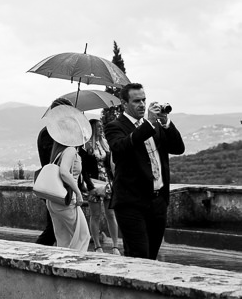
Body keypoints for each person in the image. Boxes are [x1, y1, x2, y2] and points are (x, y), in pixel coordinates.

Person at [105, 83, 185, 260]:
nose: (142, 104)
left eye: (144, 100)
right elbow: (121, 147)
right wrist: (149, 123)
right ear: (124, 103)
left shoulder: (155, 126)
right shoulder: (115, 127)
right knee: (139, 256)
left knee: (152, 256)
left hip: (157, 201)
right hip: (131, 202)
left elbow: (178, 148)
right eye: (136, 101)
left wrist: (165, 123)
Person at [44, 110, 92, 251]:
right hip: (66, 199)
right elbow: (64, 172)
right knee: (83, 237)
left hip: (53, 200)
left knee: (63, 239)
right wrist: (78, 193)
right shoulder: (70, 150)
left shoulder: (58, 151)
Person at [79, 119, 121, 254]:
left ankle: (115, 245)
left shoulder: (105, 144)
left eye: (101, 126)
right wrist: (89, 186)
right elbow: (83, 169)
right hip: (93, 183)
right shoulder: (85, 147)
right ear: (92, 128)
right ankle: (97, 246)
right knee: (95, 215)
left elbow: (111, 165)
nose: (101, 129)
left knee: (111, 214)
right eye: (98, 127)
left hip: (107, 182)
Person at [35, 97, 73, 245]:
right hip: (55, 186)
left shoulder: (58, 132)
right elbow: (52, 161)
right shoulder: (48, 133)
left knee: (59, 230)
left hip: (60, 186)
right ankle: (35, 255)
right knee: (53, 229)